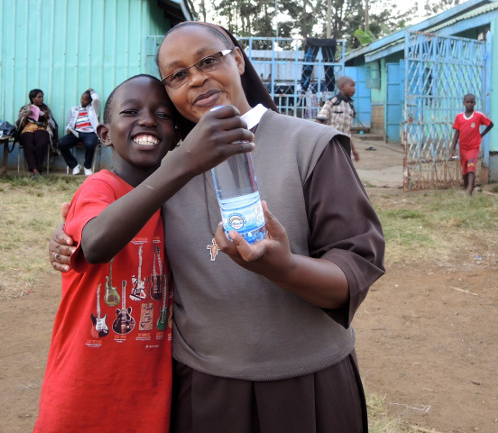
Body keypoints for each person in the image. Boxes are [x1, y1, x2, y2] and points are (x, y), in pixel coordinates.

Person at [49, 21, 385, 433]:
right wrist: (65, 239)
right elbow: (107, 224)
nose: (197, 78)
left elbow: (356, 269)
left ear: (238, 59)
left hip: (307, 384)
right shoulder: (167, 168)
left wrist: (283, 268)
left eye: (208, 60)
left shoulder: (311, 146)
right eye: (177, 75)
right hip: (202, 389)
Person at [37, 74, 238, 432]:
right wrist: (181, 165)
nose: (147, 120)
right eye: (131, 111)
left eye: (162, 115)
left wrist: (221, 243)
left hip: (148, 393)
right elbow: (96, 244)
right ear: (104, 133)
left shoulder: (182, 200)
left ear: (176, 134)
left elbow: (206, 258)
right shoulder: (100, 187)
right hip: (82, 387)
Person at [449, 93, 494, 195]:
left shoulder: (478, 116)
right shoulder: (459, 117)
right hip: (463, 147)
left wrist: (481, 135)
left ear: (475, 103)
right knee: (465, 170)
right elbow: (457, 133)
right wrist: (453, 148)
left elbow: (490, 124)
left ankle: (469, 191)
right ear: (464, 103)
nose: (469, 104)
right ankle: (467, 188)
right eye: (467, 102)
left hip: (473, 147)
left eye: (471, 102)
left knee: (471, 167)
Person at [16, 89, 59, 179]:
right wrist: (27, 116)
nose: (41, 99)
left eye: (42, 97)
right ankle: (34, 170)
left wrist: (47, 118)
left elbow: (52, 123)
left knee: (41, 143)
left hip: (42, 128)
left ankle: (38, 169)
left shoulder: (46, 108)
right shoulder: (25, 108)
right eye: (39, 97)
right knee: (28, 144)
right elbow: (19, 123)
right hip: (28, 128)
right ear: (33, 98)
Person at [316, 75, 359, 161]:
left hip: (345, 146)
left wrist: (353, 150)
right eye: (351, 86)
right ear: (342, 87)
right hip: (330, 144)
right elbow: (318, 121)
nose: (354, 88)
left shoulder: (351, 105)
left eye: (354, 86)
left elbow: (347, 132)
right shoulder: (332, 102)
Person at [59, 88, 101, 176]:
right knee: (61, 143)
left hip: (90, 133)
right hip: (76, 132)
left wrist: (92, 91)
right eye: (82, 99)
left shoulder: (94, 109)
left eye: (85, 99)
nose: (82, 101)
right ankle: (74, 166)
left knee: (90, 144)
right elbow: (68, 122)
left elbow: (96, 99)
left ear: (90, 100)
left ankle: (87, 167)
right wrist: (68, 128)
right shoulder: (74, 109)